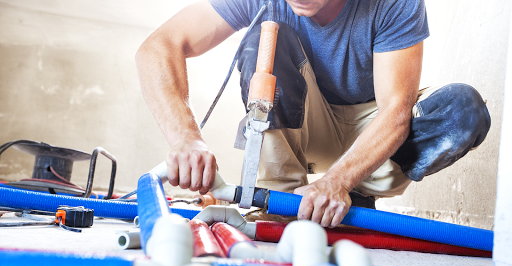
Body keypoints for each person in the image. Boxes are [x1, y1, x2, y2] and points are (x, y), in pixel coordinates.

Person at [135, 0, 491, 228]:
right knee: (266, 39)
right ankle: (278, 202)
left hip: (376, 132)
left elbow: (396, 111)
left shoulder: (395, 3)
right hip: (308, 123)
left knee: (463, 111)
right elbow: (159, 46)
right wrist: (186, 137)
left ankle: (355, 190)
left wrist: (338, 181)